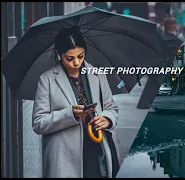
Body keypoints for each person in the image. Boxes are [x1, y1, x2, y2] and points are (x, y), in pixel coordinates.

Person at [32, 28, 120, 178]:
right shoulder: (46, 80)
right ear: (59, 54)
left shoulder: (97, 74)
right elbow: (38, 123)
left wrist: (107, 118)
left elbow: (111, 107)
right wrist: (69, 114)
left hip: (97, 151)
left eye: (81, 56)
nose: (76, 62)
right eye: (69, 58)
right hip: (64, 158)